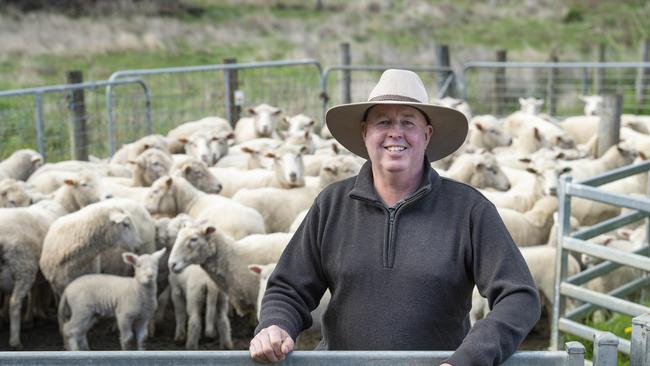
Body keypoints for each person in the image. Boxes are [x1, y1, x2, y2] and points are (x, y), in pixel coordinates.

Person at [249, 69, 540, 365]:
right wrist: (275, 324)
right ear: (365, 133)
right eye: (383, 122)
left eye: (408, 122)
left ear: (427, 135)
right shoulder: (332, 204)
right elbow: (288, 287)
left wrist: (469, 359)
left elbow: (519, 297)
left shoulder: (468, 210)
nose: (395, 132)